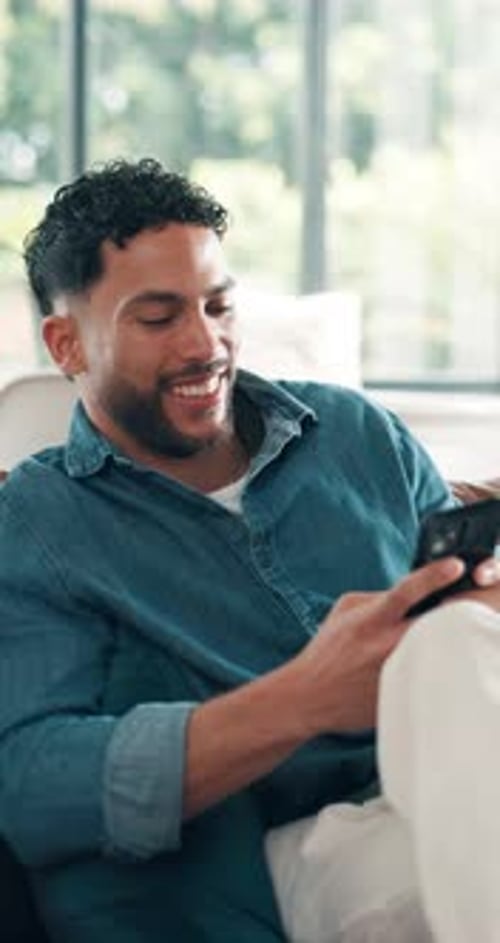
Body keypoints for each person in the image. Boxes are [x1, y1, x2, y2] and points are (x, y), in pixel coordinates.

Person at [0, 157, 499, 943]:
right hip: (291, 853)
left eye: (219, 305)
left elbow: (458, 613)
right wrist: (304, 698)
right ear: (67, 345)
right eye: (158, 318)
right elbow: (32, 784)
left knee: (453, 640)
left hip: (449, 774)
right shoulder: (40, 519)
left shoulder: (356, 433)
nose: (205, 344)